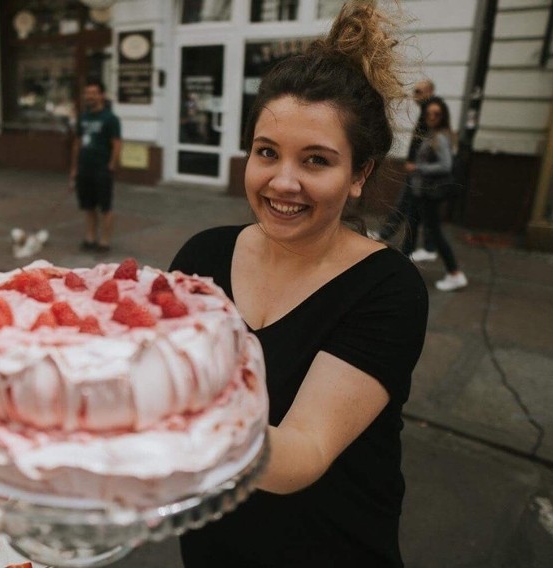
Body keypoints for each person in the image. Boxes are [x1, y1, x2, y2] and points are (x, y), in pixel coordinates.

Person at [170, 2, 428, 566]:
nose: (282, 182)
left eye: (316, 160)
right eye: (267, 152)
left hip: (332, 548)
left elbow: (301, 456)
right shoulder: (203, 255)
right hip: (211, 543)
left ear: (359, 174)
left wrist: (149, 420)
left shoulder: (387, 288)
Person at [370, 78, 439, 261]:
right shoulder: (426, 111)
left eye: (418, 92)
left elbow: (430, 145)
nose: (414, 96)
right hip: (418, 171)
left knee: (414, 210)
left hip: (421, 172)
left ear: (430, 92)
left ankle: (424, 248)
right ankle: (401, 244)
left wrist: (416, 164)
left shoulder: (432, 112)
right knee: (410, 209)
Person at [406, 97, 468, 292]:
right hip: (422, 190)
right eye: (429, 113)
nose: (431, 117)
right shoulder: (433, 134)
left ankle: (455, 273)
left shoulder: (440, 137)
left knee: (435, 232)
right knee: (414, 224)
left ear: (443, 116)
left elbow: (445, 165)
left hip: (430, 192)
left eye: (436, 114)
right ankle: (403, 263)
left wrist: (418, 167)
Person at [69, 80, 121, 253]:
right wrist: (74, 168)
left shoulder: (110, 118)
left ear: (101, 95)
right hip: (85, 168)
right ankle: (90, 237)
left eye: (93, 93)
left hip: (102, 168)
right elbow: (77, 143)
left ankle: (104, 241)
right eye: (87, 93)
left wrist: (111, 165)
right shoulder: (83, 118)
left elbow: (117, 144)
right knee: (88, 206)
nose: (89, 96)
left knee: (105, 206)